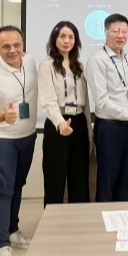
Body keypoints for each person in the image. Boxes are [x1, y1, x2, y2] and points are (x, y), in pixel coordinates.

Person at [0, 26, 38, 256]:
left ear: (23, 44)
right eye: (6, 46)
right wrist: (4, 115)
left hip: (28, 136)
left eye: (17, 44)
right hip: (3, 139)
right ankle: (1, 245)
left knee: (18, 185)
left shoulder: (31, 62)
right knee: (4, 190)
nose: (12, 50)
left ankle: (12, 230)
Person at [85, 13, 128, 201]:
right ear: (105, 32)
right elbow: (102, 102)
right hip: (110, 128)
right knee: (107, 181)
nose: (120, 35)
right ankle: (103, 218)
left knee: (127, 180)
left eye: (124, 31)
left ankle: (122, 215)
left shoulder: (127, 59)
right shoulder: (97, 60)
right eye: (115, 31)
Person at [38, 21, 91, 205]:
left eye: (71, 37)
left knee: (79, 179)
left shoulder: (79, 66)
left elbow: (86, 103)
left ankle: (79, 219)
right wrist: (60, 123)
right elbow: (48, 101)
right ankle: (52, 221)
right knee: (55, 178)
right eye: (62, 36)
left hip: (79, 123)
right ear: (54, 39)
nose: (66, 41)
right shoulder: (47, 66)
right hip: (57, 125)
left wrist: (89, 133)